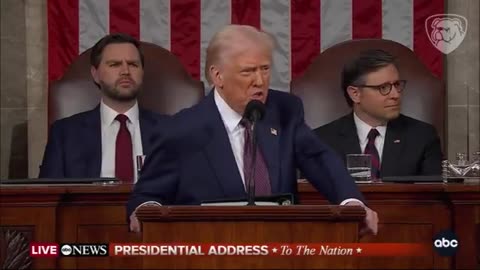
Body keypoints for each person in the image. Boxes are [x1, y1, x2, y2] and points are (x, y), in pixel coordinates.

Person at [127, 25, 378, 235]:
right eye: (248, 71)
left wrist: (351, 203)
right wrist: (146, 213)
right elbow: (145, 197)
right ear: (218, 76)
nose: (260, 81)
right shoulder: (181, 131)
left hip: (282, 249)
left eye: (265, 69)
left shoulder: (285, 110)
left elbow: (319, 159)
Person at [39, 33, 168, 183]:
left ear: (142, 73)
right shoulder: (64, 134)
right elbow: (48, 198)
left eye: (133, 64)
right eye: (114, 64)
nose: (125, 71)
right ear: (95, 75)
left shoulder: (169, 131)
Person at [314, 49, 442, 178]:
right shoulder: (321, 141)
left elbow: (433, 195)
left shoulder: (422, 137)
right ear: (355, 94)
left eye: (397, 85)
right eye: (384, 87)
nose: (395, 94)